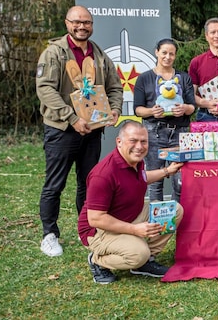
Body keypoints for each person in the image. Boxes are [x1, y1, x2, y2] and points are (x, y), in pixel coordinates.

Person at [36, 5, 123, 257]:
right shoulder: (54, 53)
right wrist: (72, 118)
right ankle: (49, 234)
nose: (82, 26)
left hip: (92, 131)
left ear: (92, 25)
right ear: (67, 23)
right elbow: (46, 90)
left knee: (89, 182)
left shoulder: (99, 55)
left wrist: (114, 109)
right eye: (77, 22)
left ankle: (85, 229)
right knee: (55, 183)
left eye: (86, 22)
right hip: (62, 129)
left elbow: (115, 87)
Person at [77, 120, 184, 284]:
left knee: (173, 210)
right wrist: (134, 230)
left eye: (143, 141)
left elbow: (141, 178)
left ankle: (147, 261)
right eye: (133, 141)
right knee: (138, 254)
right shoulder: (103, 174)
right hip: (98, 231)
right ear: (119, 142)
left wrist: (166, 171)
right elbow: (96, 218)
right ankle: (97, 260)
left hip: (130, 214)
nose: (139, 146)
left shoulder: (135, 161)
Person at [133, 38, 196, 202]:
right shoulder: (144, 78)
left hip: (179, 134)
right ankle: (157, 223)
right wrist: (152, 112)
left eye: (171, 54)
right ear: (157, 52)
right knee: (155, 181)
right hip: (153, 133)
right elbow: (138, 109)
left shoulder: (183, 77)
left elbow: (192, 106)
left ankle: (178, 219)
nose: (167, 57)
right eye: (164, 53)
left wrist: (184, 109)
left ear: (175, 56)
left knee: (181, 182)